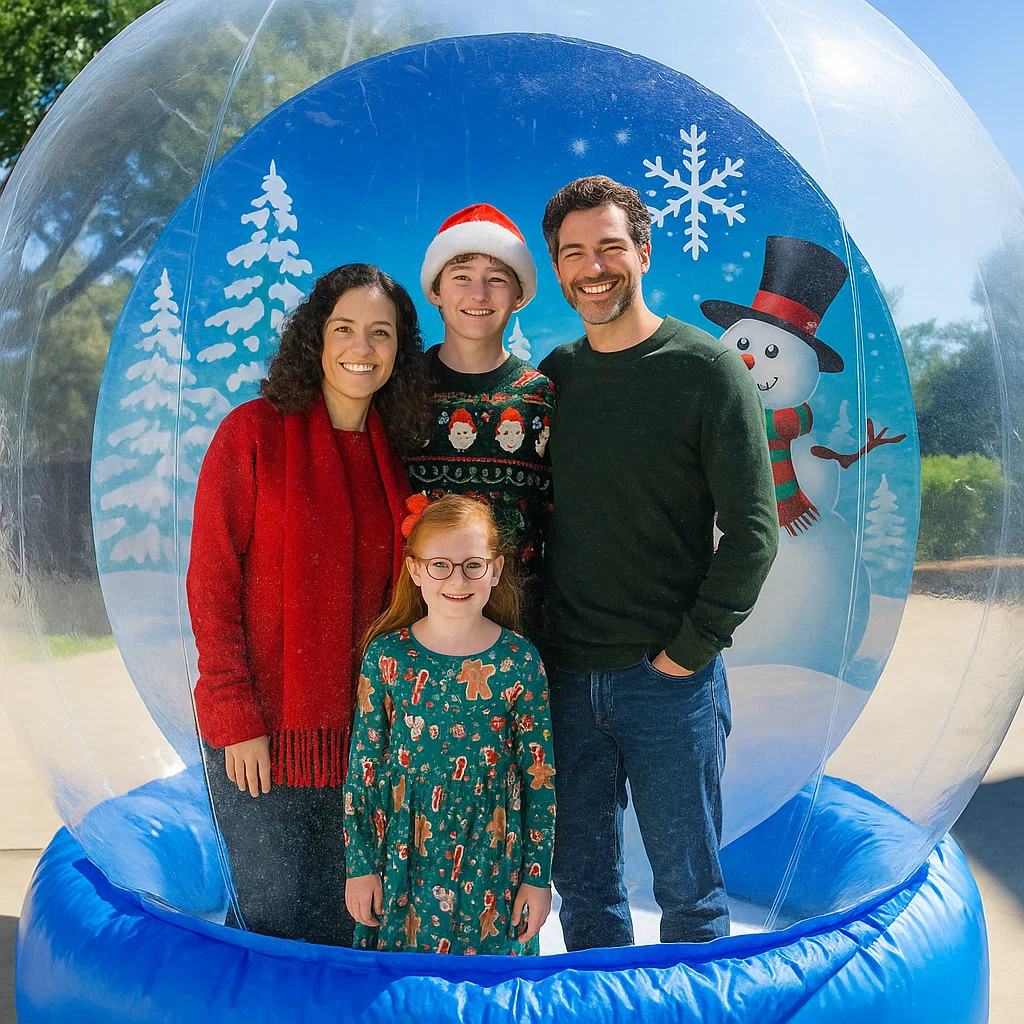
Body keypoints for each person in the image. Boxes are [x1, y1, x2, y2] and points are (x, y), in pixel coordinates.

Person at [537, 176, 778, 949]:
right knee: (585, 886)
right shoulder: (557, 376)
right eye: (573, 252)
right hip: (566, 678)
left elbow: (753, 531)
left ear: (643, 251)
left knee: (690, 891)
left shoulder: (707, 371)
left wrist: (687, 654)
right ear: (558, 268)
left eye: (609, 247)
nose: (593, 266)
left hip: (668, 684)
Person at [186, 263, 432, 945]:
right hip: (259, 733)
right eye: (345, 328)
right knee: (269, 922)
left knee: (330, 925)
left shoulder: (392, 457)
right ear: (316, 340)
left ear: (397, 352)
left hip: (355, 742)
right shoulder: (251, 434)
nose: (362, 346)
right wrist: (236, 716)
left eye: (380, 333)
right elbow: (211, 583)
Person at [343, 494, 556, 955]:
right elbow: (363, 768)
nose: (457, 579)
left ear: (496, 570)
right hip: (402, 859)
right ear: (415, 571)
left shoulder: (519, 662)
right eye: (440, 564)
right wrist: (360, 866)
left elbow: (539, 779)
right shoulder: (388, 657)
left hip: (494, 861)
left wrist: (537, 879)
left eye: (472, 565)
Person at [403, 204, 555, 623]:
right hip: (413, 627)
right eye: (462, 277)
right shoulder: (400, 388)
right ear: (435, 290)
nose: (479, 294)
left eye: (497, 280)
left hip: (518, 628)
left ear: (519, 295)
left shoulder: (541, 396)